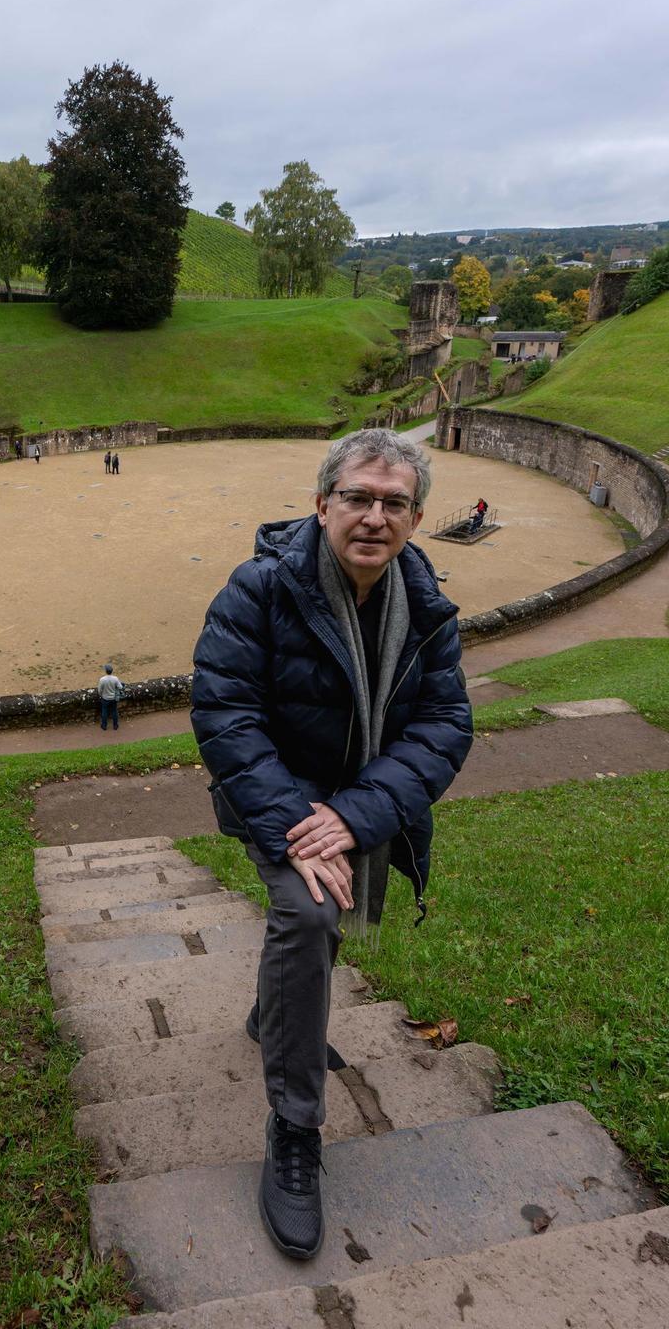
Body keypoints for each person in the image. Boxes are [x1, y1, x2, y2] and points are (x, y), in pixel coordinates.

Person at [191, 428, 471, 1262]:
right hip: (276, 799)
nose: (374, 517)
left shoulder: (425, 603)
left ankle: (274, 1016)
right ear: (321, 506)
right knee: (313, 916)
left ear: (416, 520)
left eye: (394, 503)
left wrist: (355, 817)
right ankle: (296, 1126)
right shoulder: (257, 588)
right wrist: (298, 823)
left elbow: (445, 721)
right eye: (358, 497)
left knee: (323, 921)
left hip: (358, 808)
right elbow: (225, 712)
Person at [97, 663, 124, 731]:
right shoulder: (115, 678)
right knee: (114, 712)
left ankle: (104, 726)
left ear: (105, 671)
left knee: (104, 712)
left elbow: (99, 690)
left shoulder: (102, 679)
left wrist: (101, 695)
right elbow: (120, 687)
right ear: (112, 671)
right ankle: (115, 726)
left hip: (105, 698)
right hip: (113, 698)